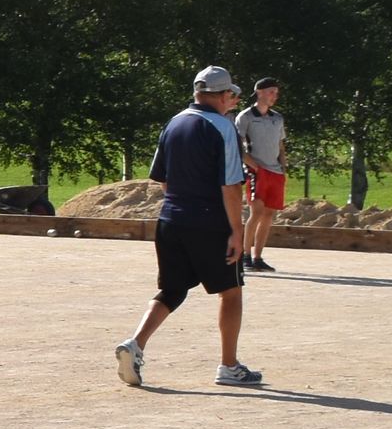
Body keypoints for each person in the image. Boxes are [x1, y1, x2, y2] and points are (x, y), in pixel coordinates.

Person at [115, 67, 259, 389]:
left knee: (172, 290)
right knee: (231, 292)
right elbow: (231, 186)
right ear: (223, 95)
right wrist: (237, 231)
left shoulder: (174, 122)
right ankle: (229, 366)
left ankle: (135, 344)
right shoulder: (223, 127)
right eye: (230, 94)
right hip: (210, 224)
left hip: (170, 221)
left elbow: (163, 179)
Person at [234, 77, 289, 272]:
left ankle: (258, 257)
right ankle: (245, 255)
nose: (275, 96)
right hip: (256, 171)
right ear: (259, 92)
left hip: (275, 171)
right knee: (256, 211)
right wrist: (253, 166)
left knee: (268, 214)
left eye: (276, 93)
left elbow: (280, 145)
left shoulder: (277, 118)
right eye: (271, 92)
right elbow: (238, 145)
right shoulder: (246, 116)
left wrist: (283, 167)